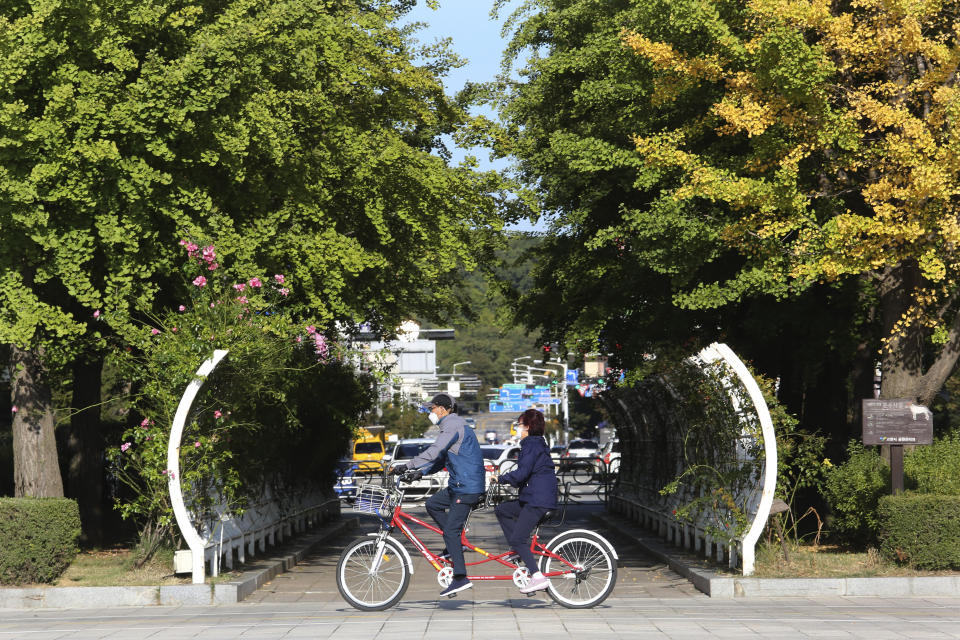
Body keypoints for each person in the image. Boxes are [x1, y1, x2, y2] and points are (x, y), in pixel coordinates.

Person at [391, 392, 485, 597]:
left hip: (467, 487)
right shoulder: (451, 425)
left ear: (443, 409)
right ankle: (456, 546)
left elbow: (434, 451)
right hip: (459, 485)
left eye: (431, 408)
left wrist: (406, 465)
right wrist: (419, 472)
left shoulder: (452, 425)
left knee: (451, 531)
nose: (429, 412)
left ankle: (460, 578)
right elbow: (441, 460)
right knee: (433, 504)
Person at [493, 408, 558, 594]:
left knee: (518, 538)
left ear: (528, 427)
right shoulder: (537, 443)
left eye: (520, 425)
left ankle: (537, 577)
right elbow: (525, 474)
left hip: (538, 500)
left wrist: (500, 478)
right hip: (535, 497)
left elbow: (522, 473)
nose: (518, 429)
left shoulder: (531, 445)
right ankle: (517, 550)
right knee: (503, 510)